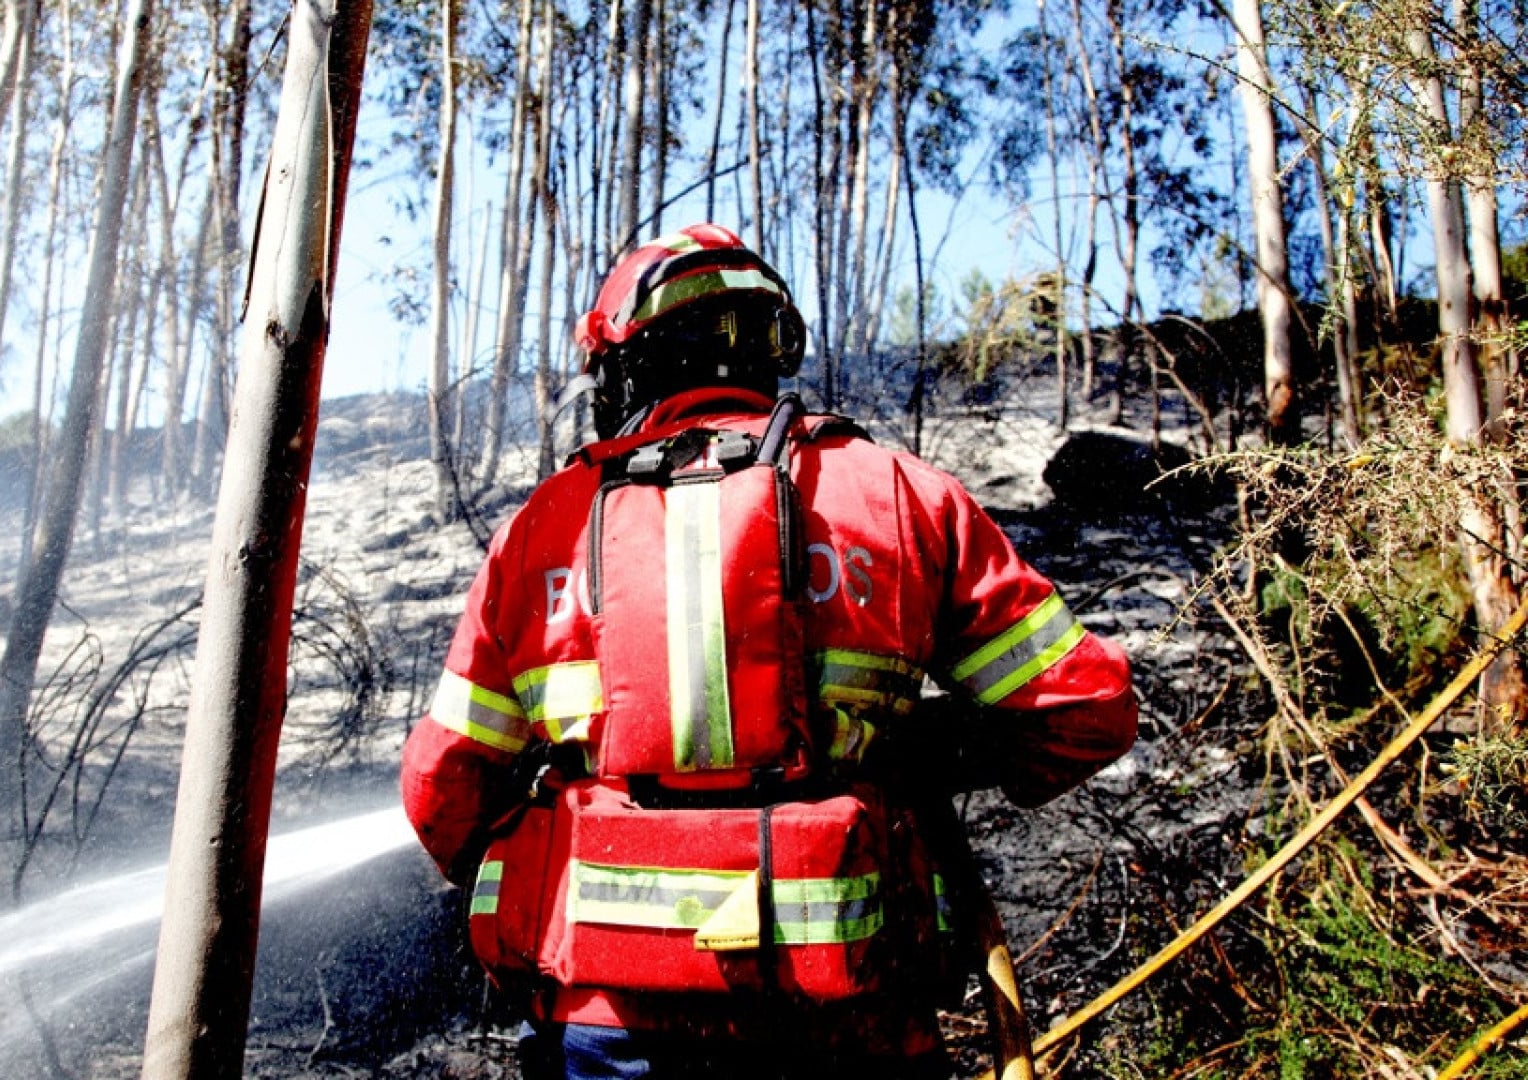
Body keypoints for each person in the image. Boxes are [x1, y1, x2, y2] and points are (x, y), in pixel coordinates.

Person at [401, 223, 1137, 1079]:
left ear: (627, 365)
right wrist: (938, 752)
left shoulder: (546, 528)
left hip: (608, 1030)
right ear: (769, 351)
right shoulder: (900, 494)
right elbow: (1088, 708)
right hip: (853, 1025)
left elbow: (439, 787)